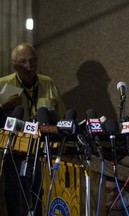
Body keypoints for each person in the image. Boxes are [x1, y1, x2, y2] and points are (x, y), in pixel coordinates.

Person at [0, 43, 66, 216]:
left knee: (42, 204)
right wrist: (3, 107)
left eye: (32, 61)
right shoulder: (3, 84)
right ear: (14, 64)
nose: (29, 66)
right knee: (17, 205)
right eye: (23, 62)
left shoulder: (48, 83)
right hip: (15, 156)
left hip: (43, 155)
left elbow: (61, 118)